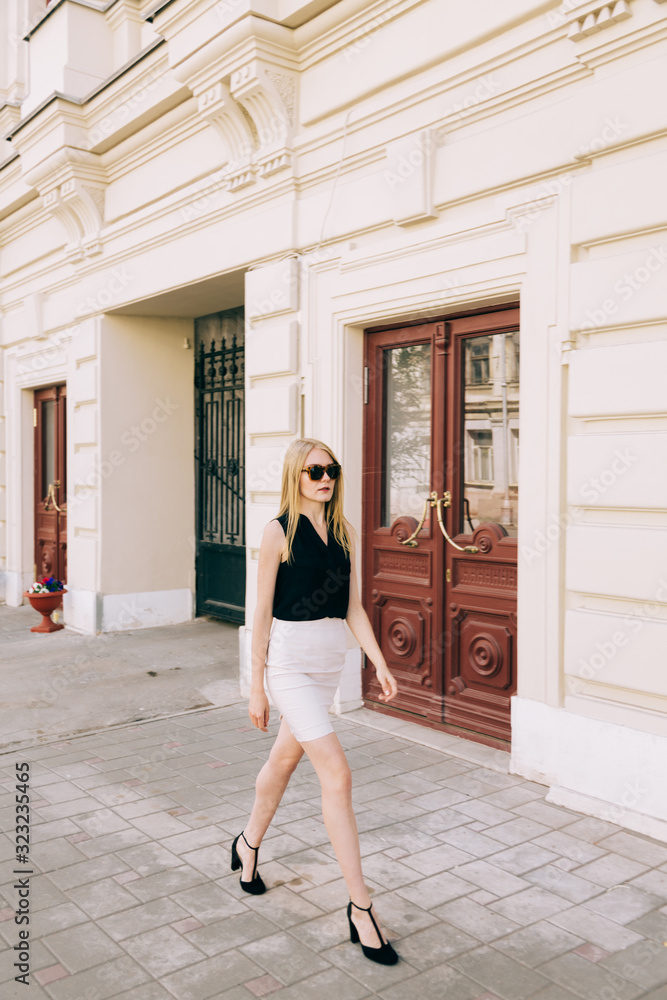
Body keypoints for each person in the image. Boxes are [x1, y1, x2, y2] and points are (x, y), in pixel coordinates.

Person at [230, 437, 400, 965]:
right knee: (337, 775)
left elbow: (353, 609)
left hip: (328, 663)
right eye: (313, 471)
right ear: (295, 476)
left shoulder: (345, 532)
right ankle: (361, 908)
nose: (325, 478)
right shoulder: (277, 531)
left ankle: (248, 844)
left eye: (331, 470)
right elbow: (259, 612)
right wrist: (256, 684)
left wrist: (379, 660)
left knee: (284, 759)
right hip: (288, 664)